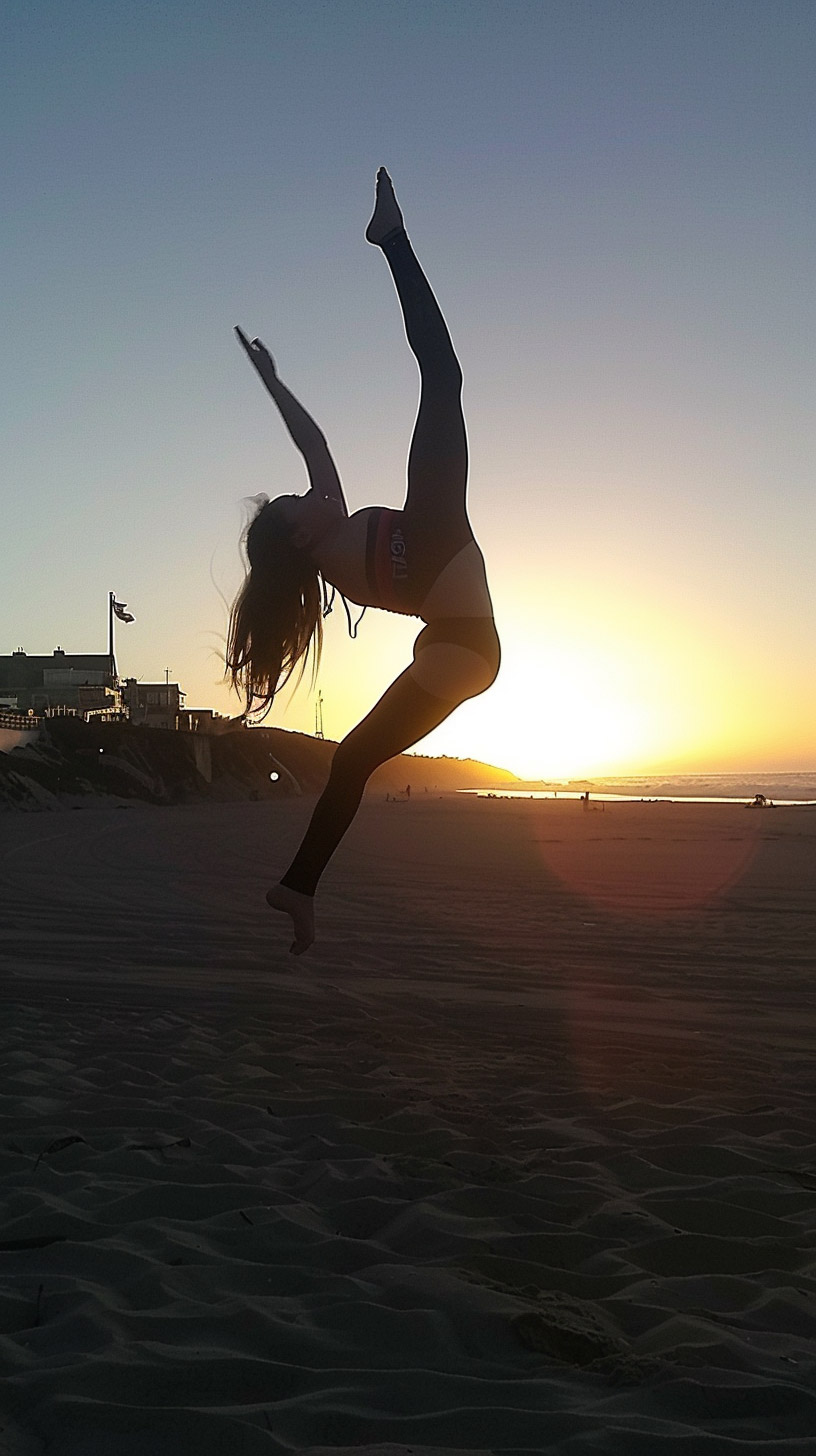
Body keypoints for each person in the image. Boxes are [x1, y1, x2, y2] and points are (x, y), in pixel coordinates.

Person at [228, 169, 500, 954]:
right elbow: (315, 460)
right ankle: (394, 241)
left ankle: (297, 888)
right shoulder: (337, 560)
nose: (311, 494)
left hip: (455, 630)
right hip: (459, 629)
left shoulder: (332, 532)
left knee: (351, 759)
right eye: (296, 504)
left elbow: (311, 443)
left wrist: (274, 383)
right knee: (443, 375)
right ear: (298, 539)